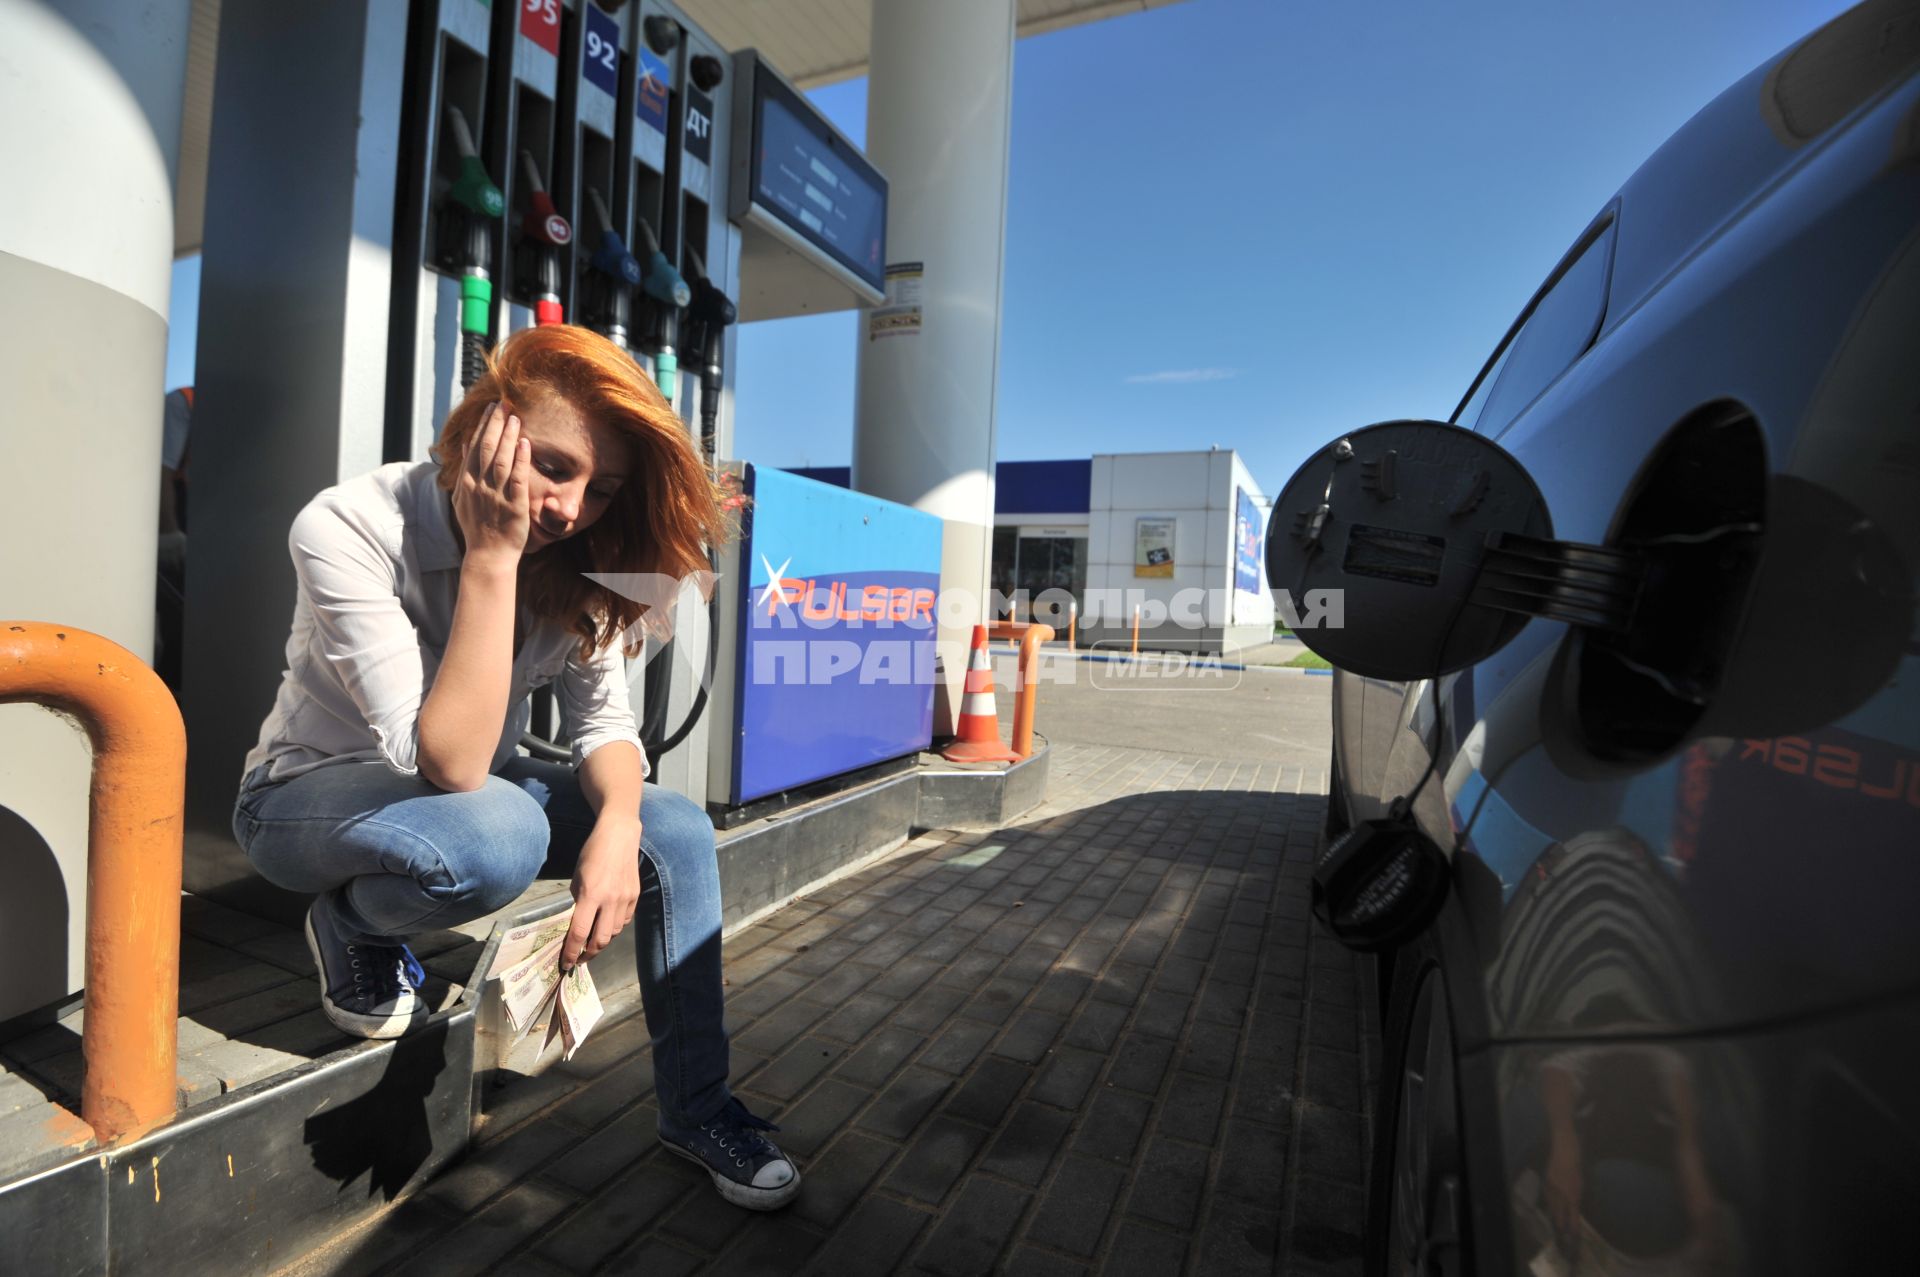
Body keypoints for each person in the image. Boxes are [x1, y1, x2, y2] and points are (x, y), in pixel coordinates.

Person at [229, 325, 798, 1210]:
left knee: (672, 825)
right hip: (302, 805)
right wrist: (493, 557)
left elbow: (604, 722)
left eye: (601, 489)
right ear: (483, 433)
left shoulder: (572, 559)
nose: (572, 509)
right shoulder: (349, 524)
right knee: (500, 828)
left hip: (458, 804)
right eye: (554, 467)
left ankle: (699, 1107)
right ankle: (353, 923)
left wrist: (618, 824)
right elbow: (448, 759)